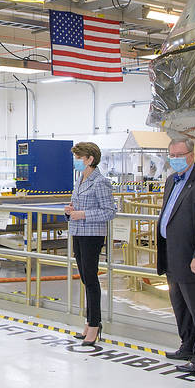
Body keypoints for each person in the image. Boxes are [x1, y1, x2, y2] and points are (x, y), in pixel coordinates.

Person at [156, 138, 195, 373]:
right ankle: (188, 345)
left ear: (191, 155)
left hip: (194, 258)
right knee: (180, 306)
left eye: (179, 154)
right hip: (172, 255)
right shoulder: (172, 180)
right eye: (171, 154)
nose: (174, 158)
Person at [64, 141, 116, 347]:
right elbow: (77, 205)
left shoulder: (100, 182)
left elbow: (109, 211)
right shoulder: (81, 179)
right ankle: (89, 321)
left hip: (92, 235)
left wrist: (83, 214)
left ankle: (95, 324)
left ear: (90, 159)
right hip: (78, 232)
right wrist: (70, 211)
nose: (76, 162)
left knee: (91, 280)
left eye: (79, 158)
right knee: (85, 278)